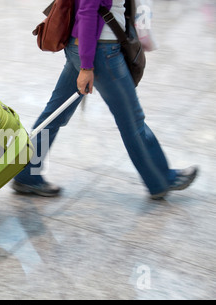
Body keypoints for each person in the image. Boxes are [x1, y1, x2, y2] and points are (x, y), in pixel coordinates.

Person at [12, 0, 198, 200]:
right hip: (101, 52)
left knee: (55, 114)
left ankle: (26, 175)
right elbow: (87, 12)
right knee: (132, 121)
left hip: (85, 47)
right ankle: (161, 179)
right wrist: (86, 66)